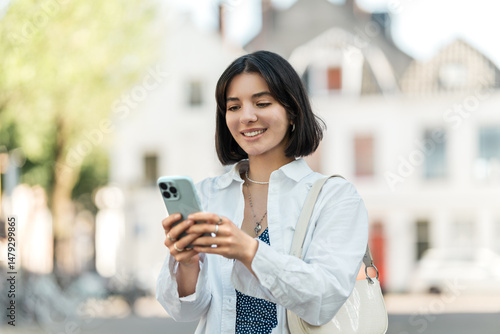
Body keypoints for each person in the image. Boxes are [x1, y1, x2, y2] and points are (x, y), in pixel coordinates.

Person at [156, 50, 368, 334]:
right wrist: (187, 262)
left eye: (262, 102)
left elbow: (323, 299)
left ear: (292, 111)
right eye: (233, 107)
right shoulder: (207, 195)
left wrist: (249, 251)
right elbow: (185, 312)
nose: (246, 117)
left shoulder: (334, 197)